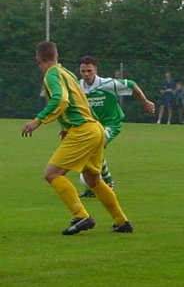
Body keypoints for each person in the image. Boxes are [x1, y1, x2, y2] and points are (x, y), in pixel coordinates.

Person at [22, 41, 133, 235]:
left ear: (38, 59)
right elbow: (79, 102)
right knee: (93, 180)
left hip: (83, 131)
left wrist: (38, 120)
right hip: (94, 128)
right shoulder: (68, 73)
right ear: (57, 57)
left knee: (52, 174)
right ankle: (121, 221)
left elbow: (61, 99)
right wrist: (67, 126)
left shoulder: (51, 75)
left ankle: (81, 216)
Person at [79, 56, 155, 198]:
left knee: (94, 147)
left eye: (89, 70)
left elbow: (131, 84)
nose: (86, 74)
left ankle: (107, 181)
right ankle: (94, 187)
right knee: (91, 154)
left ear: (96, 69)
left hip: (111, 123)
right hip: (93, 127)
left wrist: (145, 101)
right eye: (83, 71)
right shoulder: (78, 87)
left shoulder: (107, 83)